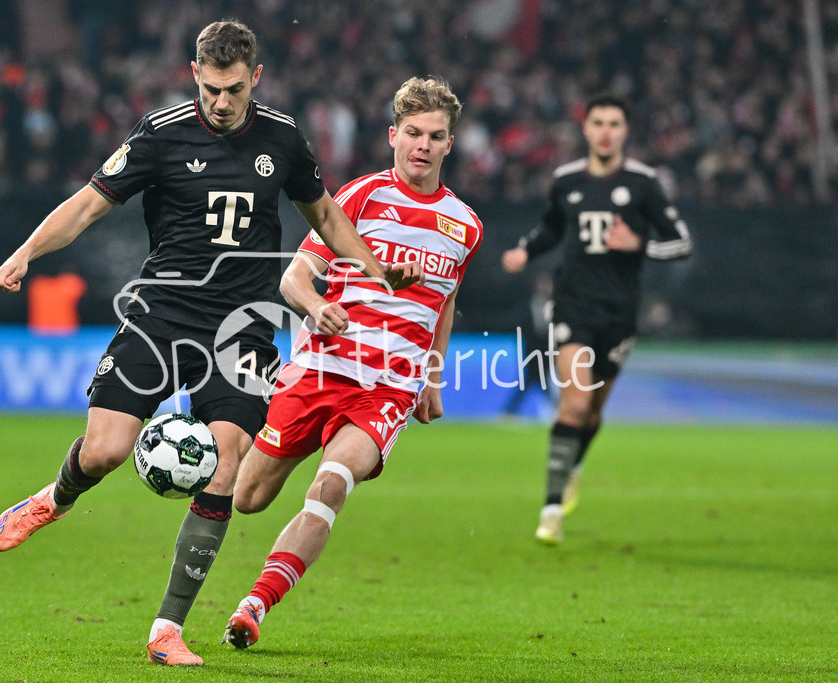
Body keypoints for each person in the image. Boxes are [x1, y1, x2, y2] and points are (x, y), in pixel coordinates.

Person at [0, 21, 422, 668]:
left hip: (242, 325)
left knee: (225, 463)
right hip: (162, 312)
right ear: (194, 74)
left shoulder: (282, 137)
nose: (221, 102)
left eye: (234, 90)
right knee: (106, 450)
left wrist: (377, 270)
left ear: (256, 78)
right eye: (212, 88)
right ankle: (56, 497)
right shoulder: (160, 134)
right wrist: (27, 251)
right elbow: (86, 206)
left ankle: (168, 629)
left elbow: (328, 216)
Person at [221, 76, 481, 650]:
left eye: (435, 136)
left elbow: (445, 301)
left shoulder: (465, 225)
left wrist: (432, 377)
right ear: (393, 136)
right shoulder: (360, 198)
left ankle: (254, 605)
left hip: (388, 389)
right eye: (412, 132)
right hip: (321, 369)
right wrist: (317, 308)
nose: (422, 145)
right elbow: (294, 279)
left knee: (332, 485)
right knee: (247, 498)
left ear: (449, 143)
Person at [500, 93, 693, 545]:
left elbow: (681, 242)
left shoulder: (643, 183)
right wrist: (526, 250)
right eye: (599, 123)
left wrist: (639, 245)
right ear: (586, 129)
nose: (606, 132)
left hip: (620, 311)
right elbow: (552, 227)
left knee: (592, 412)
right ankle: (551, 510)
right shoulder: (566, 180)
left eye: (614, 124)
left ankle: (574, 465)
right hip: (572, 304)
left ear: (625, 132)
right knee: (574, 403)